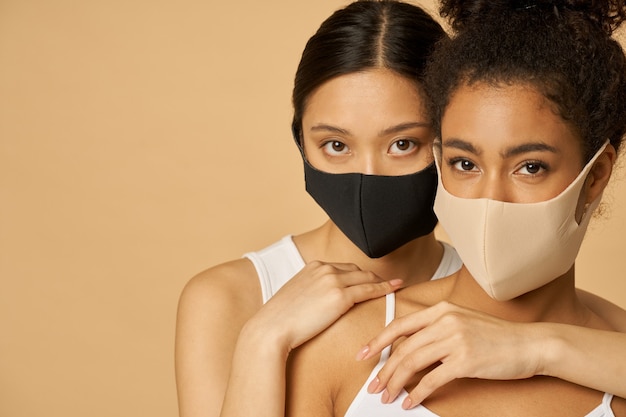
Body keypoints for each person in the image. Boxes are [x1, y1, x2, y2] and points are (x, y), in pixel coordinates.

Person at [177, 1, 626, 416]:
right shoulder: (331, 340)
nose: (491, 200)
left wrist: (539, 347)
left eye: (402, 143)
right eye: (465, 162)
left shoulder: (606, 342)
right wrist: (262, 338)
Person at [176, 2, 461, 416]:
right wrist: (264, 338)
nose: (367, 174)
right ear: (302, 144)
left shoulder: (495, 294)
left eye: (403, 144)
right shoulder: (227, 300)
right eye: (336, 145)